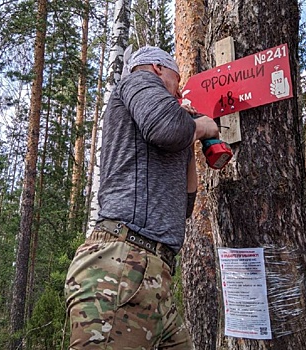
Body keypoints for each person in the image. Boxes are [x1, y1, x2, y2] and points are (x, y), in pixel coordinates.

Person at [64, 46, 219, 349]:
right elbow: (165, 128)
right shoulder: (139, 80)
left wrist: (189, 136)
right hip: (121, 266)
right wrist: (201, 126)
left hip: (154, 276)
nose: (181, 87)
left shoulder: (163, 117)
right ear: (159, 68)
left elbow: (185, 204)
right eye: (178, 78)